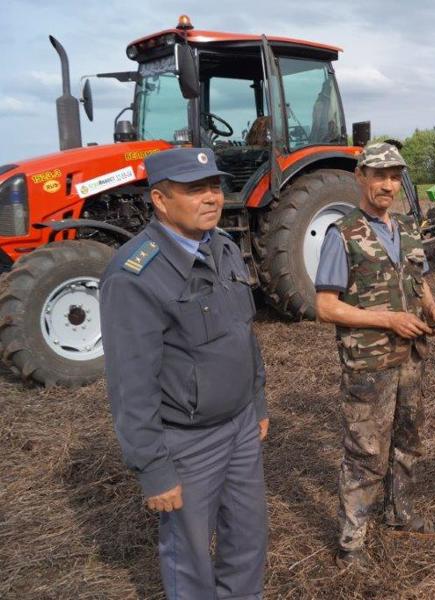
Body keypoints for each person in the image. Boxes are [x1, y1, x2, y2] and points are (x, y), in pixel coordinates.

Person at [100, 147, 268, 599]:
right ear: (160, 200)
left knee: (249, 538)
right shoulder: (135, 275)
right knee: (190, 556)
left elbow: (242, 332)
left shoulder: (224, 247)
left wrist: (257, 400)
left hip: (238, 428)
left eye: (214, 186)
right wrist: (153, 468)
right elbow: (129, 384)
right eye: (195, 189)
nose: (211, 197)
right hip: (188, 442)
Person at [315, 142, 435, 567]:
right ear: (361, 177)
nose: (387, 184)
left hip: (411, 356)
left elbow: (417, 278)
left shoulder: (406, 229)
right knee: (366, 451)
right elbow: (325, 306)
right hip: (368, 361)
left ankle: (399, 511)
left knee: (408, 440)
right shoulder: (344, 234)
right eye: (379, 175)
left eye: (394, 176)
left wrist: (432, 308)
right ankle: (351, 540)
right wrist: (389, 320)